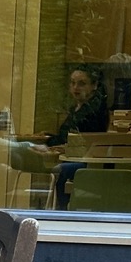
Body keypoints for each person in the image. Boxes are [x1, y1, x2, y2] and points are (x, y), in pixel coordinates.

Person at [38, 64, 107, 209]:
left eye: (81, 84)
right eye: (73, 83)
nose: (76, 88)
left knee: (61, 169)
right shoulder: (77, 108)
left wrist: (49, 141)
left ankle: (62, 211)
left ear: (94, 86)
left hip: (90, 162)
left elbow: (77, 140)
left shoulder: (93, 111)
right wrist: (49, 138)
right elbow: (67, 137)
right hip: (75, 156)